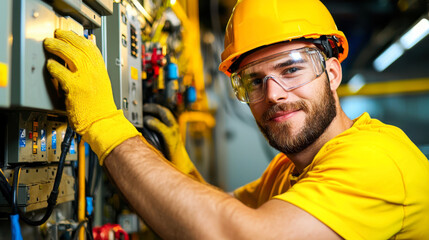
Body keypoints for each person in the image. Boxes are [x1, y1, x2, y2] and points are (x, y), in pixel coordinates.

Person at [43, 0, 429, 238]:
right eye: (254, 81)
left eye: (291, 70)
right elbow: (213, 217)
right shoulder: (288, 168)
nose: (274, 94)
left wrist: (105, 124)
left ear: (331, 73)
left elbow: (233, 236)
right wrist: (182, 167)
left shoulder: (376, 159)